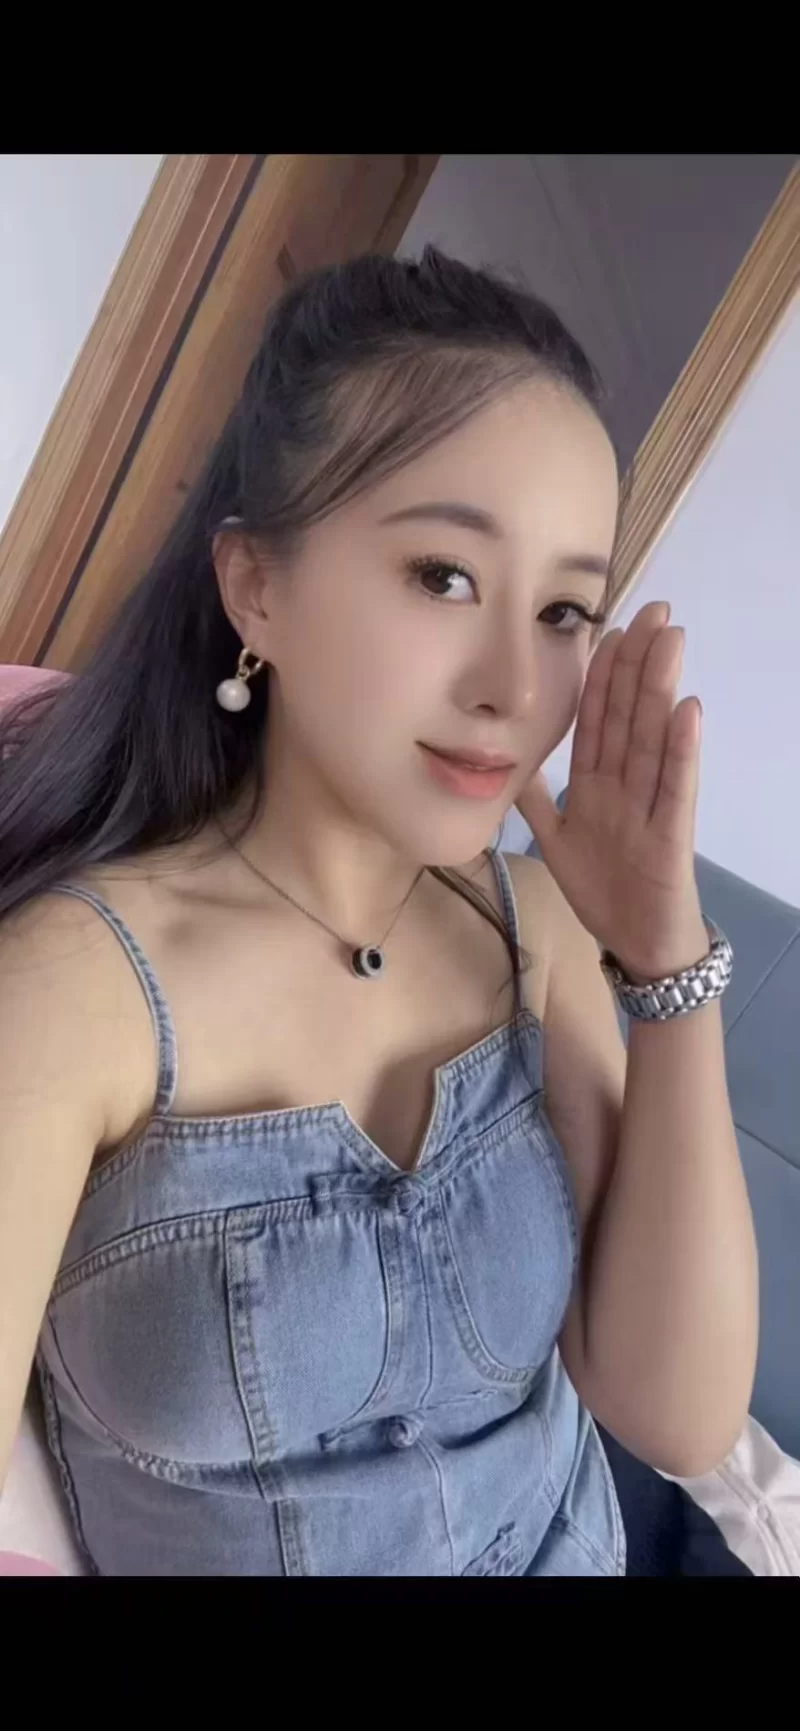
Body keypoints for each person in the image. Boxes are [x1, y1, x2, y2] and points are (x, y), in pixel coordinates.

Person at [0, 247, 758, 1577]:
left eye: (564, 608)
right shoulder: (77, 991)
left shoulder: (536, 930)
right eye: (444, 577)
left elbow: (678, 1414)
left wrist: (663, 961)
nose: (514, 685)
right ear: (258, 587)